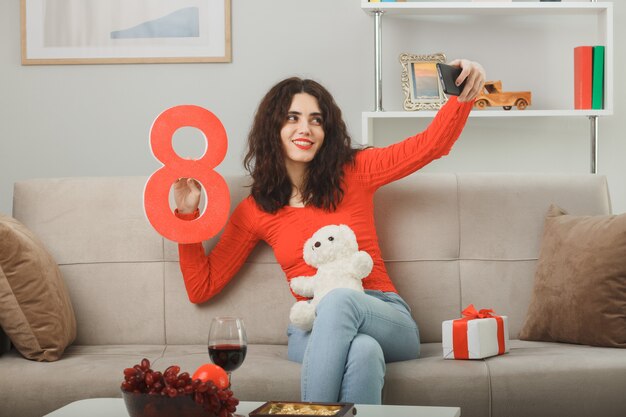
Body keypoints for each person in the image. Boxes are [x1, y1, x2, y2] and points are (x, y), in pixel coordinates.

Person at [174, 59, 486, 404]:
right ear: (272, 127)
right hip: (311, 325)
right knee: (364, 352)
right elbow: (201, 287)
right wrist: (187, 216)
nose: (305, 129)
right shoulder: (257, 210)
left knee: (339, 300)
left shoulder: (355, 171)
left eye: (316, 120)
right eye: (292, 118)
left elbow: (431, 146)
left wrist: (462, 96)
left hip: (383, 312)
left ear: (327, 131)